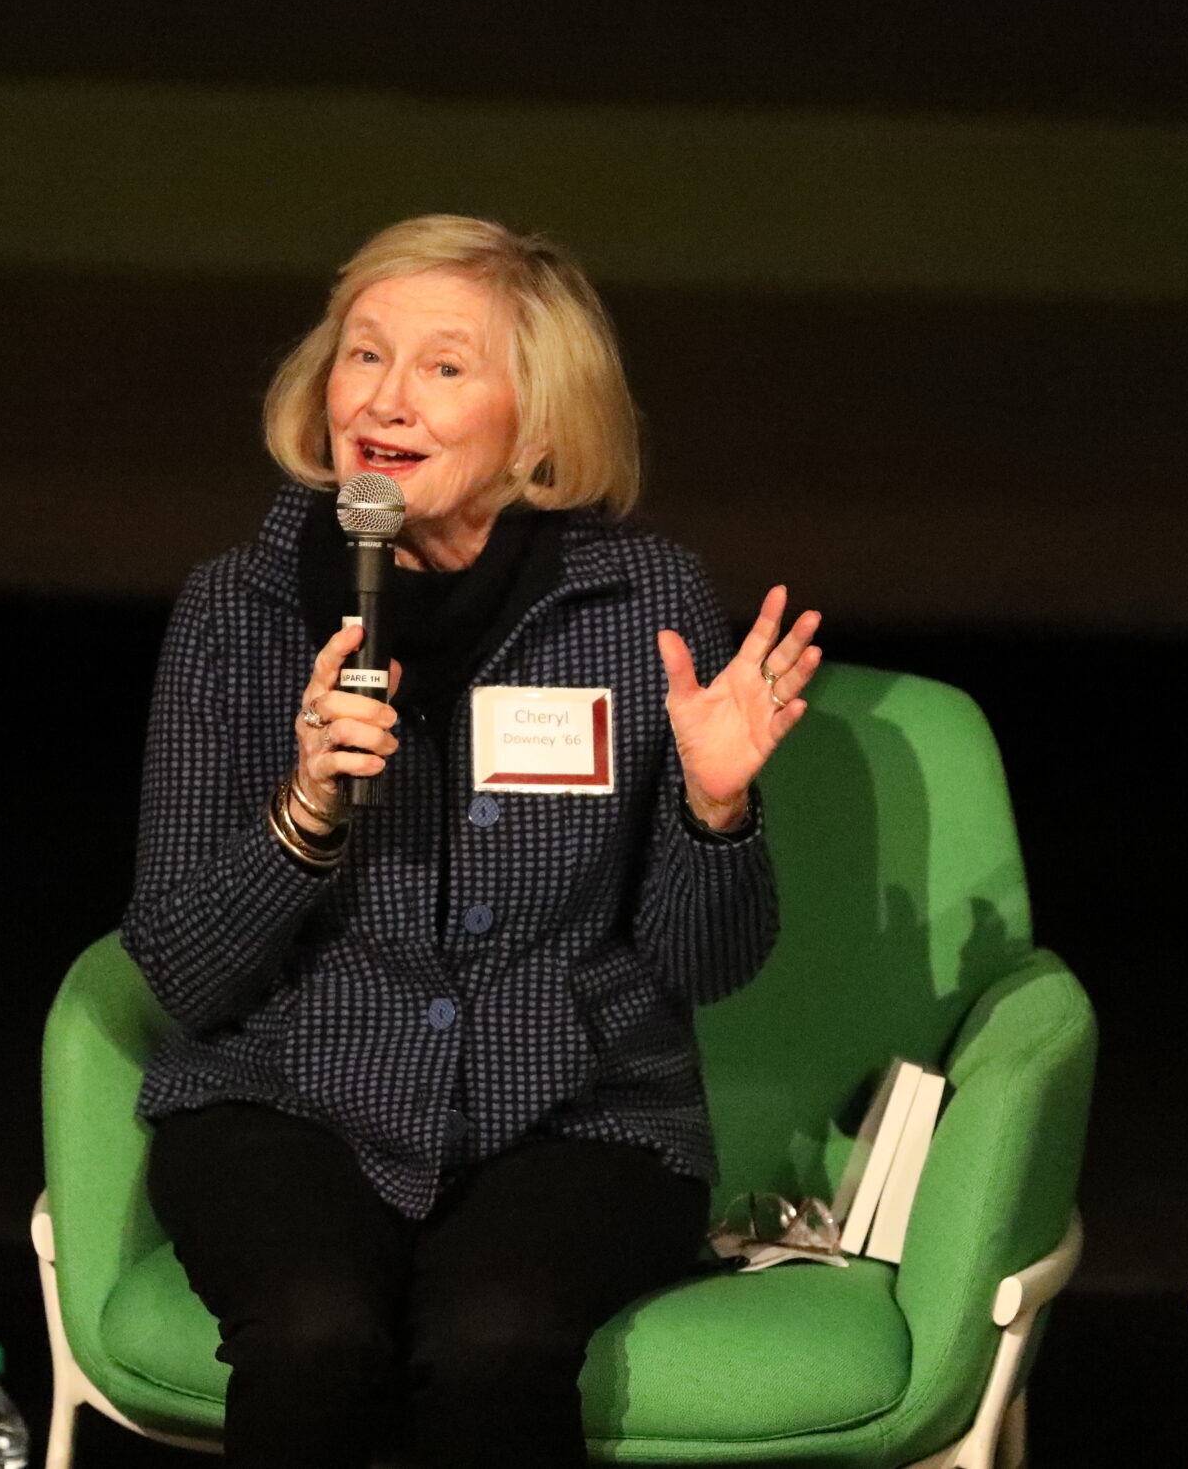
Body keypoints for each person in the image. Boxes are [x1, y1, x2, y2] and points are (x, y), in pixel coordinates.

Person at [121, 214, 822, 1469]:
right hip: (288, 1097)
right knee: (316, 1330)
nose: (383, 401)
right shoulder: (238, 607)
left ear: (541, 423)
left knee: (495, 1333)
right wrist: (302, 813)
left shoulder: (643, 604)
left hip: (582, 1108)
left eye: (444, 368)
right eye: (363, 356)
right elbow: (177, 963)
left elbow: (705, 964)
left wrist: (714, 810)